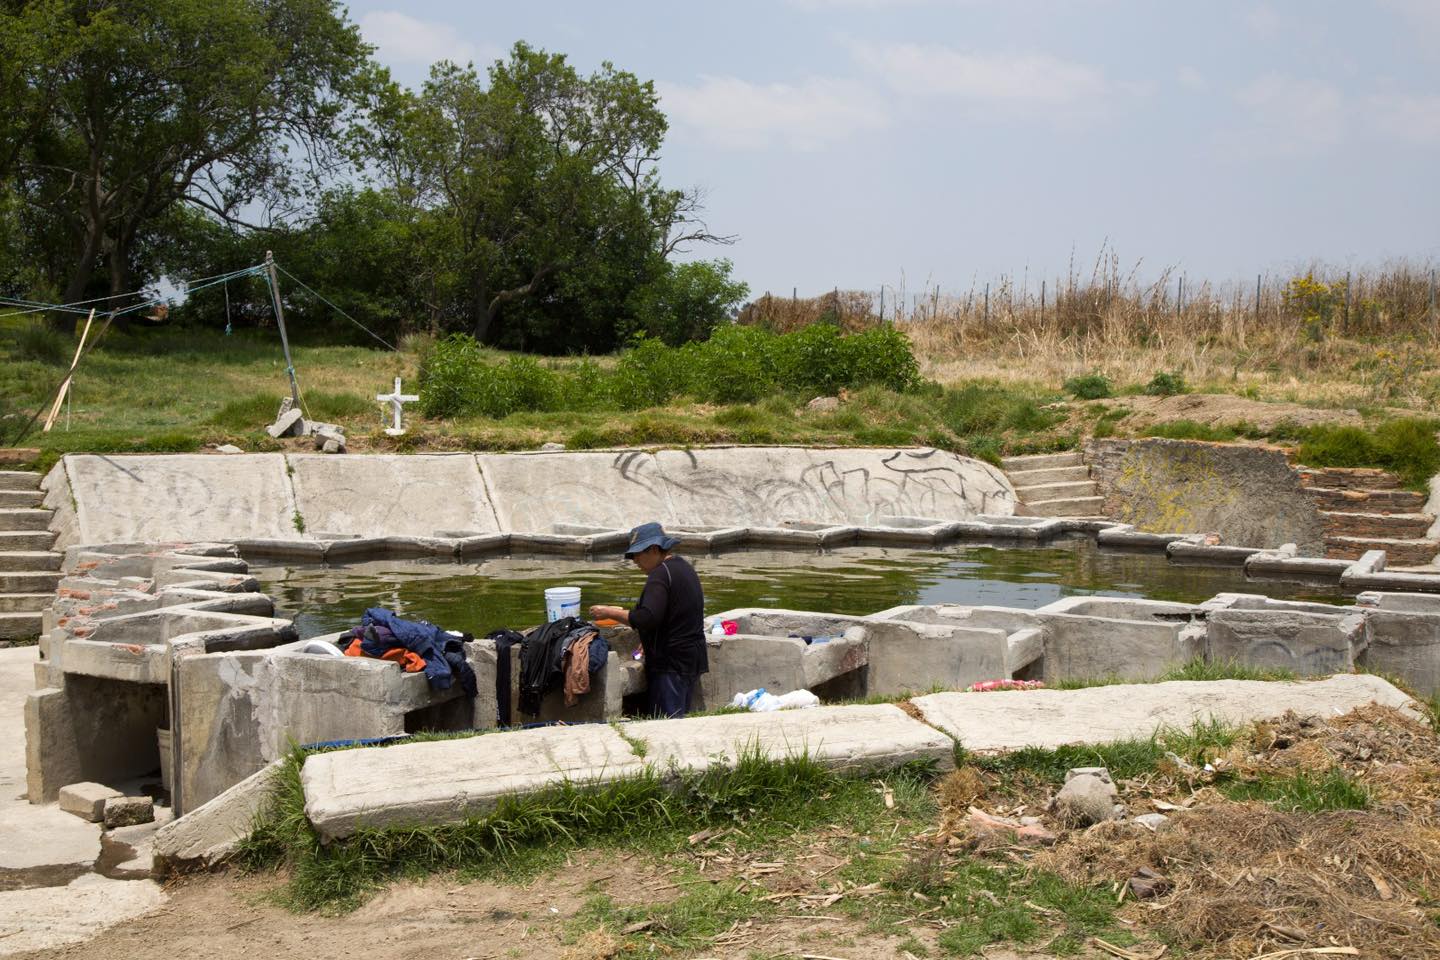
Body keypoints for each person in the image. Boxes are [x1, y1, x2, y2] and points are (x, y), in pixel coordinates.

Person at [589, 521, 708, 718]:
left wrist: (609, 612)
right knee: (679, 717)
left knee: (667, 722)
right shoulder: (683, 567)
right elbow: (673, 615)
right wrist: (649, 638)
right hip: (691, 657)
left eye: (638, 554)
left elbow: (646, 618)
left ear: (654, 549)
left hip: (671, 663)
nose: (635, 560)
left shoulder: (660, 574)